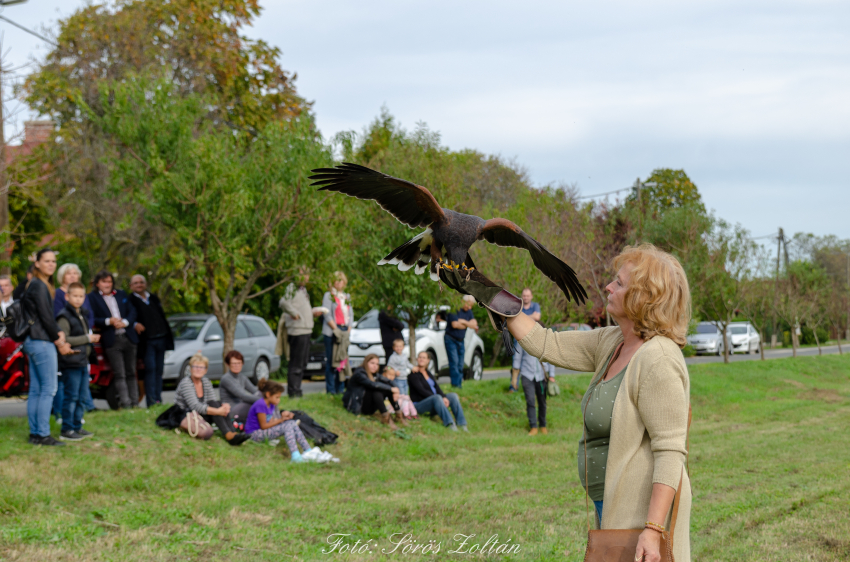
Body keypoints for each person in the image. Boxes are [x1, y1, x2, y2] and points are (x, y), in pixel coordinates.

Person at [505, 244, 692, 562]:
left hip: (641, 515)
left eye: (619, 283)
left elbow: (671, 451)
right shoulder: (615, 341)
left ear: (643, 296)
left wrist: (652, 529)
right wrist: (494, 297)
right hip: (613, 503)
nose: (608, 286)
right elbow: (546, 342)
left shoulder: (658, 358)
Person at [22, 249, 74, 446]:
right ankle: (42, 434)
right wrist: (59, 339)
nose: (51, 264)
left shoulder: (35, 284)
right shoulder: (39, 286)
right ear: (37, 263)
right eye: (46, 261)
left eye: (53, 261)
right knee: (48, 388)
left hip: (33, 341)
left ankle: (35, 433)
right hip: (41, 341)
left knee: (36, 389)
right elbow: (46, 317)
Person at [244, 378, 337, 462]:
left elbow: (271, 422)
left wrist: (284, 419)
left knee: (291, 423)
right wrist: (281, 420)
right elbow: (264, 426)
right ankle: (295, 455)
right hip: (254, 434)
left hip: (263, 432)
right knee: (287, 425)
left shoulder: (271, 404)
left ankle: (308, 450)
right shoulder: (261, 405)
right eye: (277, 397)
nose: (279, 400)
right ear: (268, 394)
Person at [173, 352, 251, 446]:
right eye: (195, 367)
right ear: (190, 369)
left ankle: (233, 432)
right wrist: (218, 411)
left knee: (217, 403)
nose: (198, 369)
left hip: (201, 413)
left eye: (201, 367)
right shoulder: (186, 383)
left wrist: (223, 407)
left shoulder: (206, 382)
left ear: (205, 370)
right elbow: (195, 406)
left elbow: (212, 400)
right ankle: (228, 434)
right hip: (187, 414)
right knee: (216, 408)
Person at [56, 282, 100, 441]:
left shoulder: (83, 313)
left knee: (82, 396)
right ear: (67, 297)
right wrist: (87, 338)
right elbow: (64, 338)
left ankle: (77, 426)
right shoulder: (64, 315)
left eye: (81, 296)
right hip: (71, 361)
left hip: (82, 361)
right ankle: (66, 429)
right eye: (75, 296)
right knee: (71, 396)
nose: (78, 299)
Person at [88, 271, 139, 409]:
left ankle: (135, 403)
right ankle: (126, 404)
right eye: (104, 282)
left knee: (131, 372)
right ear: (98, 283)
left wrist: (126, 322)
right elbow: (92, 318)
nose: (107, 284)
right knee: (119, 373)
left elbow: (132, 311)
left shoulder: (121, 294)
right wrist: (108, 321)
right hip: (111, 339)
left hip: (128, 336)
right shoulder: (92, 298)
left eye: (109, 282)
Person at [53, 264, 96, 414]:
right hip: (70, 355)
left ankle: (78, 422)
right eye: (68, 273)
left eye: (74, 273)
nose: (72, 276)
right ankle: (67, 424)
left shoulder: (82, 310)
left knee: (81, 392)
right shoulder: (62, 308)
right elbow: (63, 332)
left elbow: (89, 317)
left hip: (83, 356)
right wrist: (86, 337)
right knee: (71, 392)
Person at [128, 274, 175, 407]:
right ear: (131, 286)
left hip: (161, 338)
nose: (139, 285)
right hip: (146, 341)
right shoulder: (130, 300)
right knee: (150, 369)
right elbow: (128, 316)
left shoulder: (153, 298)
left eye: (141, 282)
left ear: (146, 284)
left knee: (159, 370)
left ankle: (159, 399)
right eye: (136, 283)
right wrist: (134, 324)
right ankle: (151, 401)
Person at [279, 269, 323, 398]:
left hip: (306, 329)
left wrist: (312, 313)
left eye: (307, 274)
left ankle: (297, 389)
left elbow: (300, 307)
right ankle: (293, 392)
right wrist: (294, 313)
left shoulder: (303, 290)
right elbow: (283, 302)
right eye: (302, 274)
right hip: (298, 331)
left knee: (302, 362)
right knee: (296, 363)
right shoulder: (292, 287)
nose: (305, 277)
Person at [408, 351, 469, 431]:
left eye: (424, 357)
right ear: (417, 359)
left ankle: (462, 424)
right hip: (419, 405)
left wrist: (443, 397)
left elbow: (437, 388)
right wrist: (439, 398)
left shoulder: (429, 373)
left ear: (428, 360)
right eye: (419, 357)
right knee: (436, 397)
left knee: (453, 396)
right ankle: (450, 423)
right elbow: (421, 391)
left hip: (436, 400)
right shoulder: (413, 375)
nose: (421, 359)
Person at [342, 353, 399, 429]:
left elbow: (389, 381)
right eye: (372, 363)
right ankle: (385, 416)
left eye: (377, 364)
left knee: (386, 389)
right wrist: (391, 389)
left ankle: (399, 414)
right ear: (366, 363)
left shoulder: (374, 374)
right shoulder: (359, 373)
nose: (375, 366)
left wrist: (396, 390)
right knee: (377, 390)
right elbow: (372, 384)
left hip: (369, 406)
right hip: (358, 406)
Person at [322, 271, 353, 395]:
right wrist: (336, 329)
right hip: (332, 331)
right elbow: (326, 313)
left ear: (344, 282)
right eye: (336, 280)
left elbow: (350, 314)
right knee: (331, 360)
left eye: (340, 280)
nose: (338, 283)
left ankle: (340, 388)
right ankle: (331, 390)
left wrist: (348, 328)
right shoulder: (328, 295)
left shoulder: (346, 296)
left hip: (344, 330)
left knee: (342, 361)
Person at [516, 336, 554, 436]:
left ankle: (543, 425)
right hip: (527, 374)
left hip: (542, 376)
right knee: (530, 401)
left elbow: (551, 359)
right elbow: (517, 357)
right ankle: (533, 426)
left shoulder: (545, 341)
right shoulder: (522, 340)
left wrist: (552, 376)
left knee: (542, 401)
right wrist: (514, 378)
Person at [509, 288, 541, 393]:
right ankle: (514, 386)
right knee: (516, 362)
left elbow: (537, 317)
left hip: (532, 338)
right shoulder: (518, 306)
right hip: (518, 338)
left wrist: (522, 317)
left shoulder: (535, 306)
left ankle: (530, 386)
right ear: (521, 296)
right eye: (524, 295)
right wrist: (530, 317)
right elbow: (514, 319)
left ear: (531, 296)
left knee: (531, 362)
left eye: (527, 296)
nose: (526, 297)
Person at [444, 295, 478, 388]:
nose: (469, 307)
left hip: (461, 340)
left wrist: (463, 321)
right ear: (463, 302)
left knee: (460, 364)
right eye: (468, 305)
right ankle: (456, 385)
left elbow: (474, 324)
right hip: (451, 339)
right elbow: (455, 325)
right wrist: (468, 324)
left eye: (471, 306)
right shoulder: (454, 309)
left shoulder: (469, 311)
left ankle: (459, 384)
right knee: (454, 362)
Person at [219, 350, 261, 424]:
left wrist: (267, 395)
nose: (237, 366)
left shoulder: (242, 377)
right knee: (255, 403)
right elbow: (243, 396)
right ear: (228, 364)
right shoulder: (226, 378)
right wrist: (264, 400)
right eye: (234, 363)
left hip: (241, 406)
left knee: (262, 395)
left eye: (239, 363)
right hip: (231, 410)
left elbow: (255, 391)